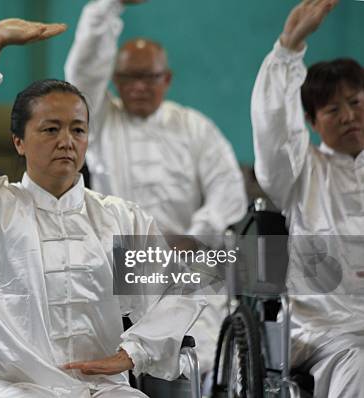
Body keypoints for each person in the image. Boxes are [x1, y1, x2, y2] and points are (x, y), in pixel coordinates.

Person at [0, 18, 206, 398]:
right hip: (18, 387)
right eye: (50, 129)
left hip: (105, 387)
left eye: (77, 130)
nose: (66, 141)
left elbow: (181, 287)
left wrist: (133, 352)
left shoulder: (120, 218)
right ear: (19, 142)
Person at [64, 0, 247, 374]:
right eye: (130, 78)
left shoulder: (196, 128)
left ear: (167, 79)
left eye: (149, 77)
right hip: (123, 261)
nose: (140, 86)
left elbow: (229, 191)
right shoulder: (100, 122)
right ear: (115, 82)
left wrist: (196, 235)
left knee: (203, 354)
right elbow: (82, 71)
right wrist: (106, 8)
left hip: (189, 257)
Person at [251, 0, 364, 396]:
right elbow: (276, 135)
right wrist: (287, 50)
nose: (349, 116)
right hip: (327, 329)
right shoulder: (303, 172)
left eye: (356, 102)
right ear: (314, 123)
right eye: (333, 109)